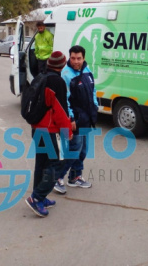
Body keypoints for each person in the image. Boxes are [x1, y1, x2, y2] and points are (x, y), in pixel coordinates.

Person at [25, 51, 73, 218]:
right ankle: (36, 198)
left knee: (42, 162)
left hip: (36, 128)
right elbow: (60, 110)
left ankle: (41, 196)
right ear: (63, 64)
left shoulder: (41, 76)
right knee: (59, 163)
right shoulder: (56, 81)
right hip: (50, 131)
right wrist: (67, 132)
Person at [54, 45, 98, 194]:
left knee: (83, 150)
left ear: (83, 58)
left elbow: (93, 89)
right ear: (69, 58)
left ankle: (75, 177)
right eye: (73, 58)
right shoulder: (65, 74)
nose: (76, 61)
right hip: (76, 119)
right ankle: (57, 178)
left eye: (79, 58)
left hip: (87, 117)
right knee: (74, 149)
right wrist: (70, 117)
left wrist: (95, 105)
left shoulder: (87, 70)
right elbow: (64, 99)